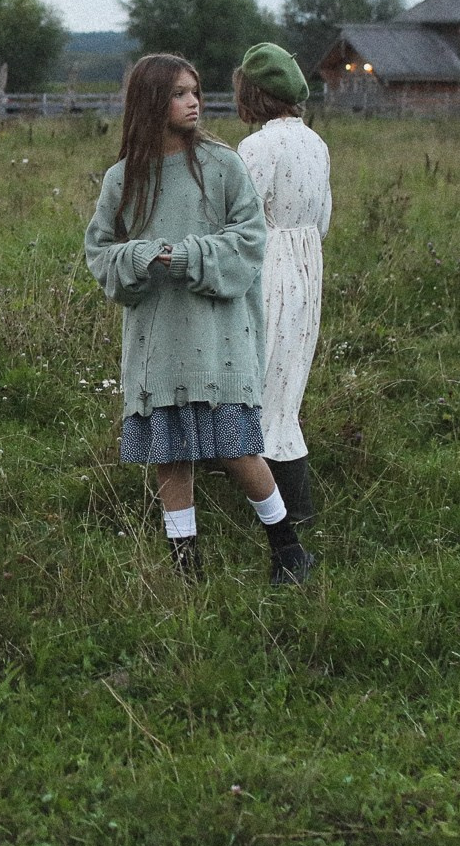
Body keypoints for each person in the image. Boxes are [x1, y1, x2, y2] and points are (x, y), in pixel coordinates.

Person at [84, 53, 300, 582]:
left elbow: (250, 240)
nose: (193, 101)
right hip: (157, 341)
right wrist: (139, 256)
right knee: (170, 458)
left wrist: (184, 257)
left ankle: (288, 548)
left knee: (237, 449)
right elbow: (99, 251)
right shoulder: (123, 179)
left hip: (219, 336)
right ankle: (186, 566)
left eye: (195, 91)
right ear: (151, 102)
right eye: (180, 93)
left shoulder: (223, 165)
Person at [234, 43, 328, 584]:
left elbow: (240, 219)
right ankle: (297, 512)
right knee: (286, 385)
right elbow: (325, 217)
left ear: (254, 94)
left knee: (258, 387)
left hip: (267, 266)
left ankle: (281, 517)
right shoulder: (317, 143)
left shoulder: (258, 148)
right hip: (308, 265)